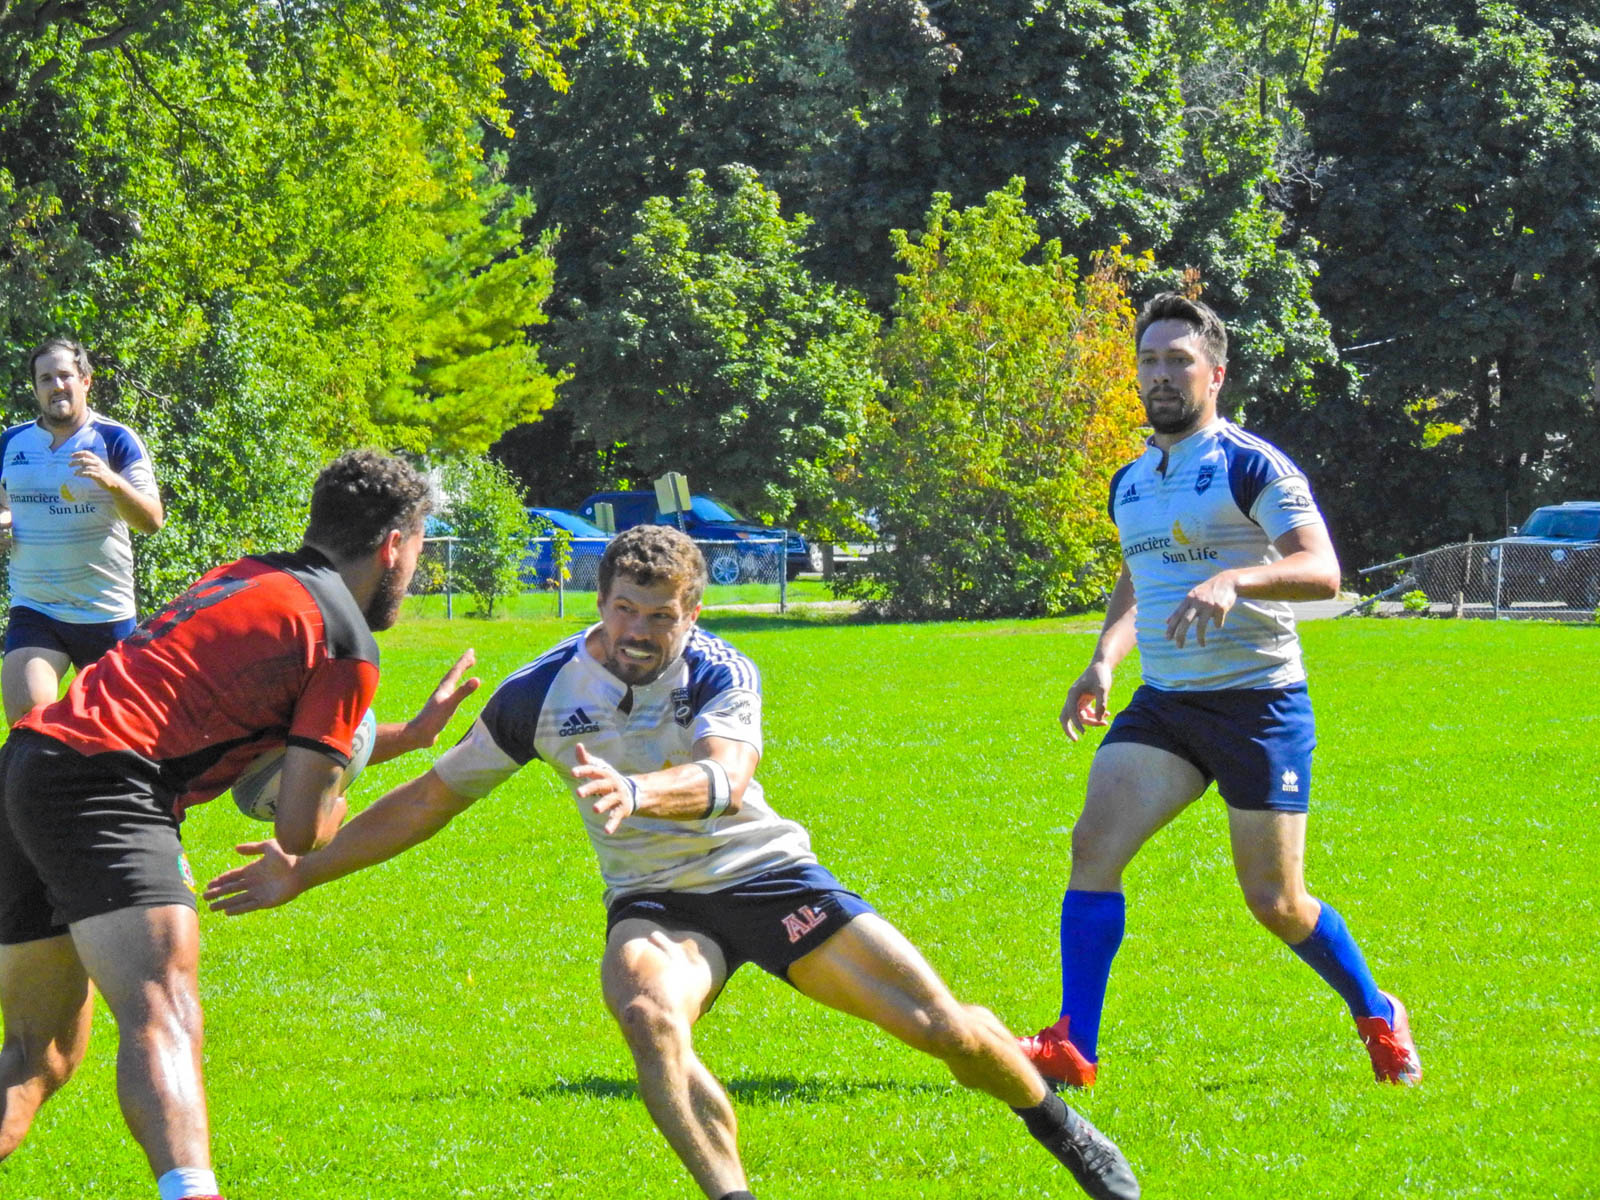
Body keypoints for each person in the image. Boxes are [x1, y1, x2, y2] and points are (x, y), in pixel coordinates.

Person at [204, 525, 1141, 1200]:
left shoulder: (722, 669)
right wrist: (303, 868)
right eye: (622, 610)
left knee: (949, 1032)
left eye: (659, 614)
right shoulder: (545, 691)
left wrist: (641, 794)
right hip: (657, 902)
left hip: (767, 877)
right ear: (599, 604)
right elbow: (431, 800)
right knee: (649, 1013)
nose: (638, 631)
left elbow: (730, 775)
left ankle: (1054, 1124)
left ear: (691, 612)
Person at [0, 450, 481, 1200]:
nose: (414, 569)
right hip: (105, 782)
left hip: (31, 762)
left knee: (40, 1052)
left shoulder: (251, 577)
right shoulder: (345, 641)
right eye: (418, 548)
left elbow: (258, 730)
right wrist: (335, 809)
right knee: (163, 1005)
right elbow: (300, 825)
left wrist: (408, 738)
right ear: (395, 545)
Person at [1019, 293, 1421, 1091]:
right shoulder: (1131, 481)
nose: (1161, 375)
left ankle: (1377, 1010)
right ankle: (1075, 1045)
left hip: (1257, 705)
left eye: (1179, 361)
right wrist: (1104, 659)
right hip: (1167, 704)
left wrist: (1238, 577)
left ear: (1216, 374)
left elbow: (1321, 569)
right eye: (1150, 360)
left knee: (1275, 902)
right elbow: (1141, 572)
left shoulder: (1251, 464)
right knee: (1092, 851)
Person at [0, 338, 165, 724]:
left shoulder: (115, 439)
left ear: (86, 381)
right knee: (29, 720)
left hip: (104, 611)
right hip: (36, 606)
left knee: (118, 733)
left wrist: (111, 483)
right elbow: (3, 508)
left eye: (65, 376)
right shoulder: (11, 443)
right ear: (36, 388)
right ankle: (35, 784)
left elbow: (152, 521)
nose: (57, 386)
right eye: (46, 379)